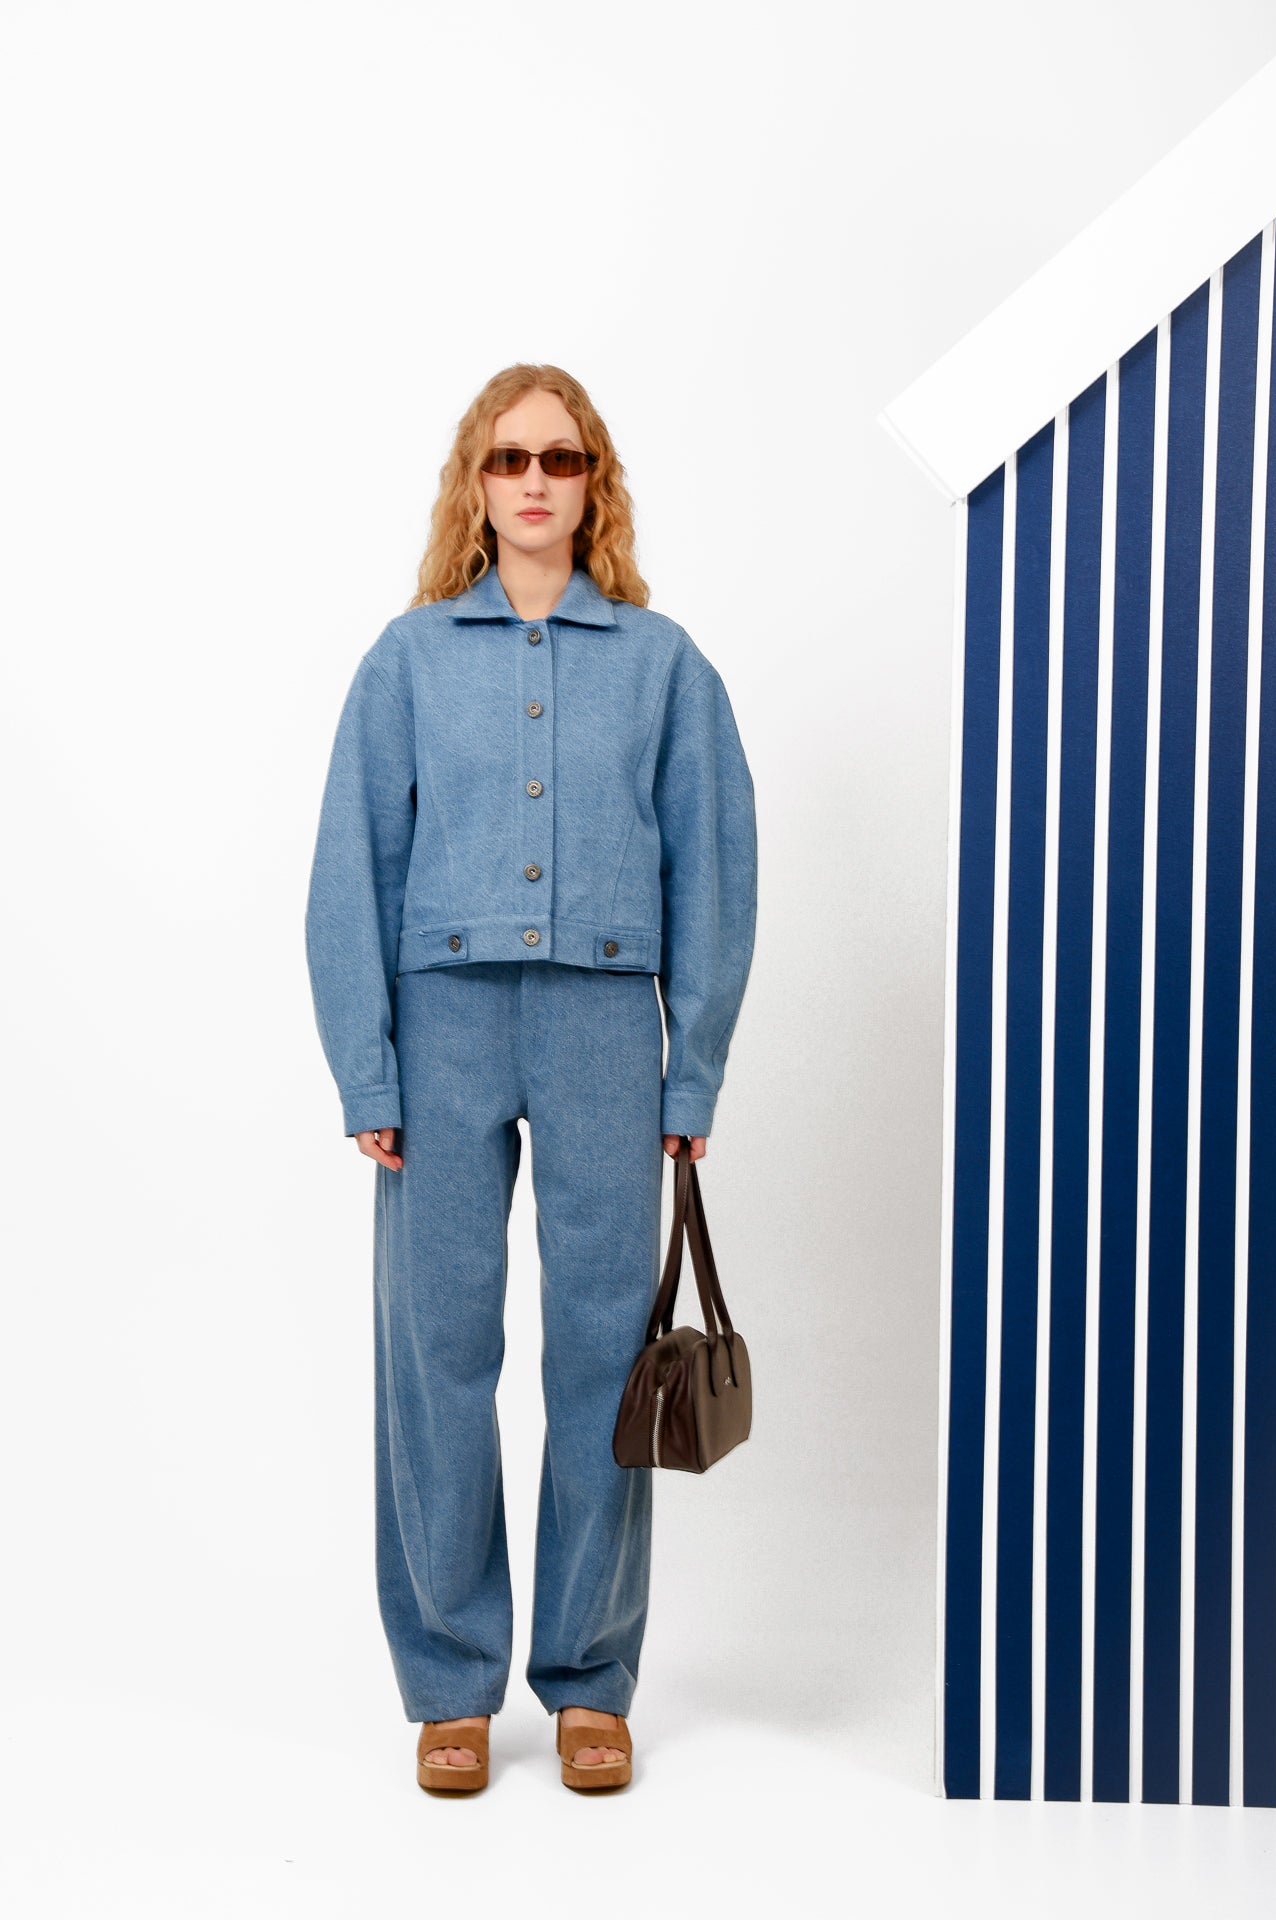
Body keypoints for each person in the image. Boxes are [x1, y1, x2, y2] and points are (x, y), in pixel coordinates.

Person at [304, 363, 757, 1793]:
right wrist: (366, 1067)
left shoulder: (664, 664)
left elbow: (717, 874)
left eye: (561, 458)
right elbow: (349, 868)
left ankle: (587, 1680)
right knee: (436, 1352)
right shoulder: (408, 659)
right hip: (439, 1025)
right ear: (477, 483)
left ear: (593, 481)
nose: (535, 482)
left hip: (605, 1030)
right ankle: (449, 1681)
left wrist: (692, 1076)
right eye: (509, 459)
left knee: (599, 1359)